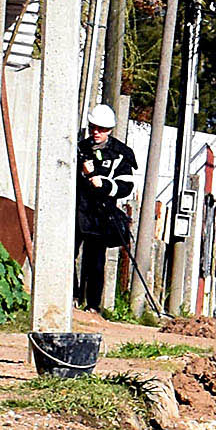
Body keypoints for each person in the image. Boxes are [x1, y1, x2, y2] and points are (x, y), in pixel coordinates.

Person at [76, 103, 139, 314]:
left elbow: (126, 186)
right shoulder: (80, 148)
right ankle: (72, 296)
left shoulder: (121, 154)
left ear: (110, 130)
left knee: (95, 261)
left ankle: (93, 305)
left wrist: (102, 183)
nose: (96, 132)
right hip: (76, 212)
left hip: (100, 214)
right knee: (69, 256)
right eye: (93, 127)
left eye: (101, 129)